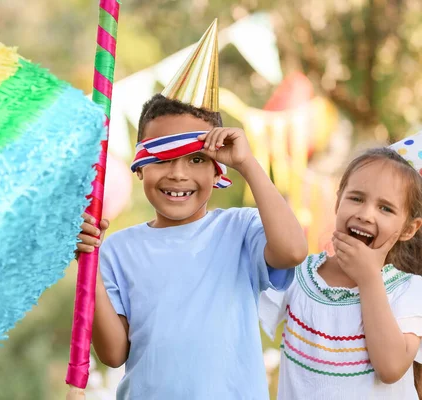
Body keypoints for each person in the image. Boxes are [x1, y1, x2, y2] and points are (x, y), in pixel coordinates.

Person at [75, 19, 308, 399]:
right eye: (163, 159)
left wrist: (248, 164)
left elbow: (294, 251)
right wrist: (88, 262)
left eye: (197, 160)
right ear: (140, 168)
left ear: (219, 171)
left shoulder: (241, 229)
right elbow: (114, 353)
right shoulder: (115, 249)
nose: (179, 174)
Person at [259, 136, 422, 399]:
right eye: (356, 198)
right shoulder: (299, 274)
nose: (366, 214)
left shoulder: (409, 290)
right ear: (338, 202)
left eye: (385, 208)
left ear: (409, 229)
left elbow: (390, 368)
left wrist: (369, 277)